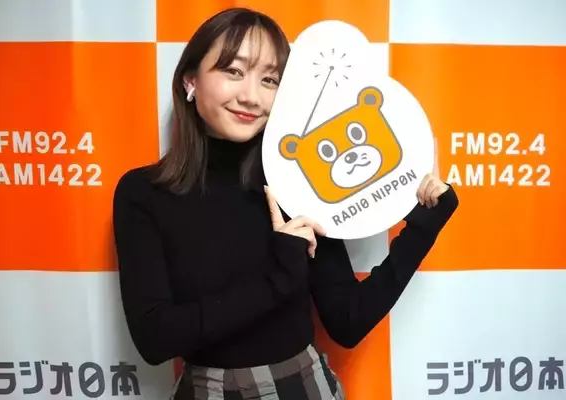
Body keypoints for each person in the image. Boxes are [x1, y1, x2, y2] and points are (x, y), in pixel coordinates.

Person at [112, 7, 459, 400]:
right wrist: (277, 278)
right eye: (234, 71)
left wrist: (424, 226)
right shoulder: (144, 192)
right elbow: (155, 338)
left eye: (270, 79)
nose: (251, 97)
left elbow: (348, 320)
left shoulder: (295, 182)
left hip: (304, 387)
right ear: (191, 80)